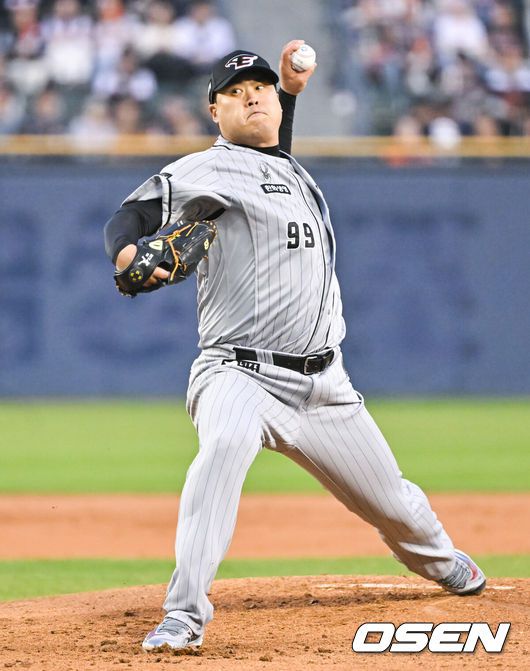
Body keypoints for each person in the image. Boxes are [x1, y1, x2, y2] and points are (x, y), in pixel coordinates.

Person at [104, 41, 486, 654]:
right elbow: (127, 218)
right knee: (223, 449)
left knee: (395, 504)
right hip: (239, 374)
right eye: (234, 92)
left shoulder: (283, 166)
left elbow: (270, 146)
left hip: (325, 388)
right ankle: (184, 613)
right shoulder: (207, 170)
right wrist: (127, 254)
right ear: (214, 111)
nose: (251, 97)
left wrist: (290, 91)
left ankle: (441, 562)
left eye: (259, 88)